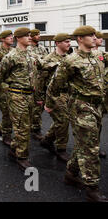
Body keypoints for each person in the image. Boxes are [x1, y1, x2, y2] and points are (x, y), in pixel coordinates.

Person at [45, 26, 107, 202]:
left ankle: (71, 173)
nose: (95, 38)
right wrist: (49, 103)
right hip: (81, 107)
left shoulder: (98, 56)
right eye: (91, 35)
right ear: (80, 39)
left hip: (97, 106)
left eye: (95, 35)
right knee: (91, 148)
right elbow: (55, 84)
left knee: (84, 144)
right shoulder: (71, 61)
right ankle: (92, 188)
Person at [0, 28, 38, 170]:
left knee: (25, 126)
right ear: (18, 38)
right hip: (16, 95)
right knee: (22, 128)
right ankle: (21, 157)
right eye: (26, 36)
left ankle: (13, 149)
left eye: (30, 35)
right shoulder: (11, 56)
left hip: (29, 95)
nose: (29, 37)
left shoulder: (30, 54)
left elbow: (36, 74)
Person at [37, 33, 72, 162]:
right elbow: (41, 80)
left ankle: (47, 140)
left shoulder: (70, 58)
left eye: (69, 41)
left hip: (68, 94)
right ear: (58, 43)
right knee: (63, 120)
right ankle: (61, 149)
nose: (69, 43)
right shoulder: (48, 59)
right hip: (54, 94)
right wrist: (40, 98)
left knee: (61, 121)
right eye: (66, 41)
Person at [27, 29, 48, 140]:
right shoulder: (28, 49)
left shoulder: (42, 48)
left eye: (39, 34)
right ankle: (35, 128)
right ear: (31, 36)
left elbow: (46, 62)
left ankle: (33, 125)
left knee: (40, 105)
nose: (39, 36)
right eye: (37, 34)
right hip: (34, 81)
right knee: (36, 106)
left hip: (43, 80)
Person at [93, 31, 107, 159]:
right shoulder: (78, 56)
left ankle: (95, 147)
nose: (100, 40)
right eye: (98, 38)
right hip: (85, 99)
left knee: (99, 123)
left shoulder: (101, 54)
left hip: (101, 95)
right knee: (90, 126)